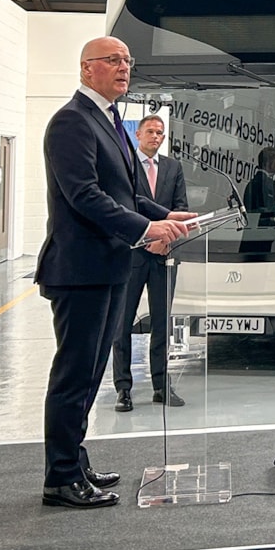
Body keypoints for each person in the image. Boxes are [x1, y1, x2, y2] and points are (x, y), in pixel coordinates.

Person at [36, 36, 191, 508]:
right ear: (87, 69)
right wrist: (148, 228)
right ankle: (60, 477)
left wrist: (168, 215)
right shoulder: (71, 122)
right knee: (74, 373)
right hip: (79, 269)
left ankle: (73, 459)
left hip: (107, 267)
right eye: (113, 60)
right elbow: (84, 195)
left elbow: (123, 194)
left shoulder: (110, 122)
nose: (124, 67)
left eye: (128, 61)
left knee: (90, 371)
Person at [112, 114, 189, 412]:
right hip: (131, 254)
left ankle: (161, 385)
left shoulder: (173, 167)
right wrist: (148, 236)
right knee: (123, 323)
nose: (156, 137)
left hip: (164, 255)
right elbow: (123, 206)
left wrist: (166, 239)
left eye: (160, 132)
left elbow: (180, 208)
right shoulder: (125, 165)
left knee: (161, 322)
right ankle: (123, 388)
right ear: (138, 134)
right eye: (151, 132)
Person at [241, 146, 275, 253]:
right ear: (268, 163)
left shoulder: (251, 183)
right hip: (261, 238)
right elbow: (269, 212)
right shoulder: (267, 183)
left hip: (250, 237)